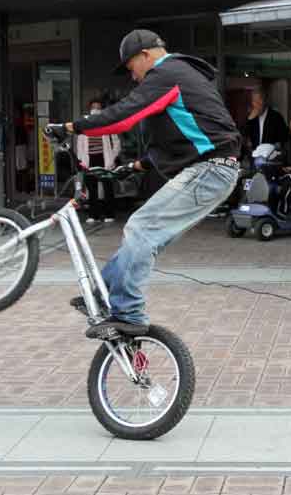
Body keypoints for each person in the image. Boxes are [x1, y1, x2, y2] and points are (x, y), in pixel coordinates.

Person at [59, 29, 241, 340]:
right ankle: (105, 293)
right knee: (145, 237)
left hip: (209, 171)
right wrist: (133, 166)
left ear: (144, 55)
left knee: (141, 228)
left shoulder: (166, 73)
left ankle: (128, 312)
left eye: (130, 68)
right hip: (214, 169)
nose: (132, 77)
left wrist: (71, 127)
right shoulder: (182, 76)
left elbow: (123, 117)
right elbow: (184, 139)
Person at [76, 99, 120, 223]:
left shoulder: (107, 123)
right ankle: (93, 215)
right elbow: (80, 145)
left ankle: (109, 214)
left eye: (98, 107)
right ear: (89, 109)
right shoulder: (84, 124)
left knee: (107, 188)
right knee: (91, 188)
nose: (95, 110)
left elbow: (116, 143)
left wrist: (112, 157)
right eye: (93, 107)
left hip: (104, 159)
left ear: (102, 110)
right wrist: (81, 161)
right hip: (89, 160)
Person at [245, 87, 288, 153]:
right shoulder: (251, 117)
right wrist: (249, 120)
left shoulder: (276, 116)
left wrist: (275, 146)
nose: (257, 103)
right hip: (253, 154)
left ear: (265, 100)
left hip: (271, 155)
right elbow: (243, 135)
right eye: (254, 101)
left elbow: (284, 137)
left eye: (260, 99)